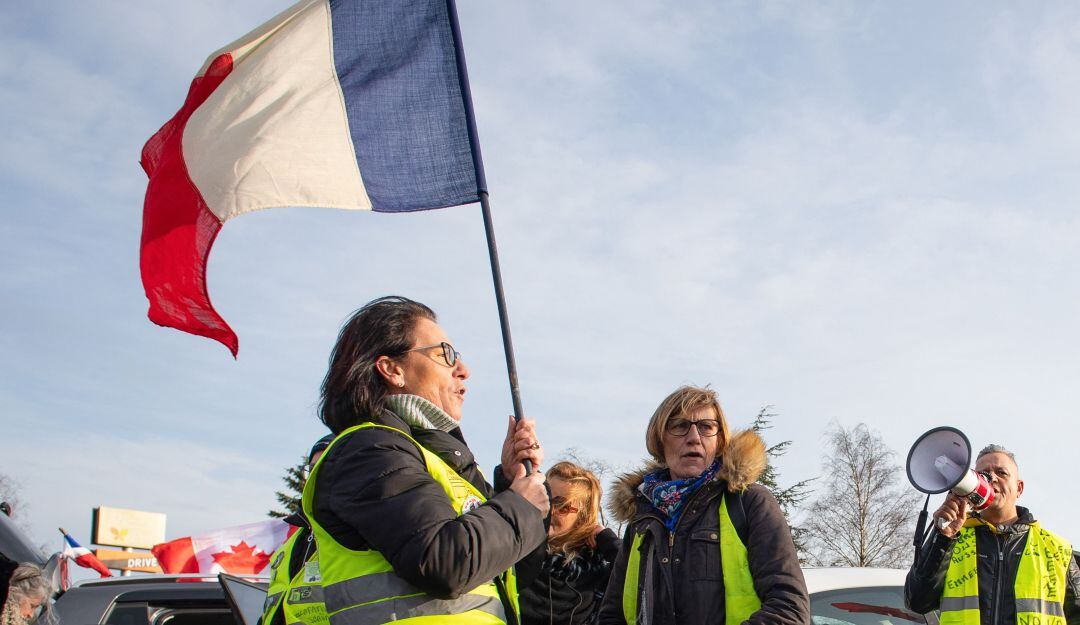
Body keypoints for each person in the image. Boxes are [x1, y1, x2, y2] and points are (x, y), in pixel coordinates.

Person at [302, 296, 550, 625]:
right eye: (445, 354)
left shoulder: (433, 460)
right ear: (392, 369)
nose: (463, 370)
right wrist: (519, 505)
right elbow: (444, 563)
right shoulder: (369, 450)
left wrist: (510, 481)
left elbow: (515, 572)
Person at [599, 385, 809, 625]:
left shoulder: (749, 502)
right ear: (659, 440)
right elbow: (611, 615)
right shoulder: (641, 519)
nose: (694, 438)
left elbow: (789, 607)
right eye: (679, 426)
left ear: (719, 441)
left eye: (706, 427)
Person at [905, 444, 1080, 625]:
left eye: (1001, 473)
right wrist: (942, 537)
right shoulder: (951, 538)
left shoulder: (1057, 549)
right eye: (983, 474)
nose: (992, 478)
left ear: (1019, 488)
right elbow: (916, 602)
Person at [520, 462, 621, 625]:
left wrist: (607, 539)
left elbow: (640, 574)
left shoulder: (600, 574)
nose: (550, 510)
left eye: (562, 506)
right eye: (546, 501)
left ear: (583, 517)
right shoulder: (520, 557)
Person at [263, 433, 335, 625]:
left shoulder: (357, 534)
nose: (315, 476)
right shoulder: (292, 542)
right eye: (311, 469)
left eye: (324, 466)